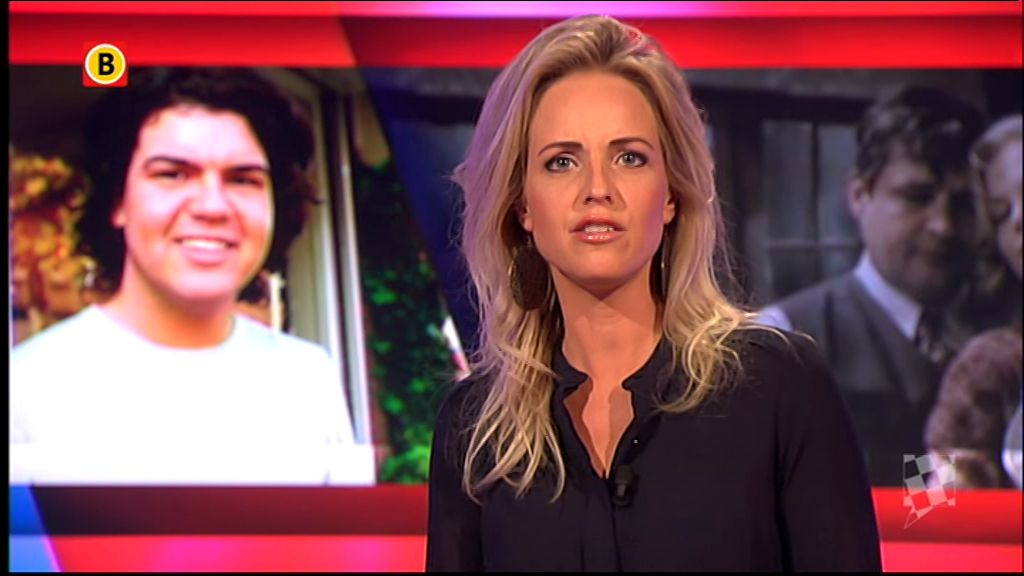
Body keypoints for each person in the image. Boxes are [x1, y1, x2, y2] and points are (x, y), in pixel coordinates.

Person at [426, 15, 880, 571]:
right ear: (522, 205)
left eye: (629, 157)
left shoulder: (778, 386)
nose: (598, 189)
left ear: (670, 196)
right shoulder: (475, 428)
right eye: (562, 162)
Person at [10, 68, 356, 485]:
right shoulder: (27, 387)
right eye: (172, 174)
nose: (212, 206)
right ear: (117, 201)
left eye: (243, 179)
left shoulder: (308, 378)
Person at [759, 86, 985, 486]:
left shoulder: (993, 332)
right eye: (917, 197)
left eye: (963, 203)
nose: (944, 226)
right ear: (860, 195)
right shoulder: (782, 339)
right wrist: (931, 492)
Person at [925, 114, 1022, 489]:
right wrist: (945, 482)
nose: (1018, 221)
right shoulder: (989, 364)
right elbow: (918, 499)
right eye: (1001, 213)